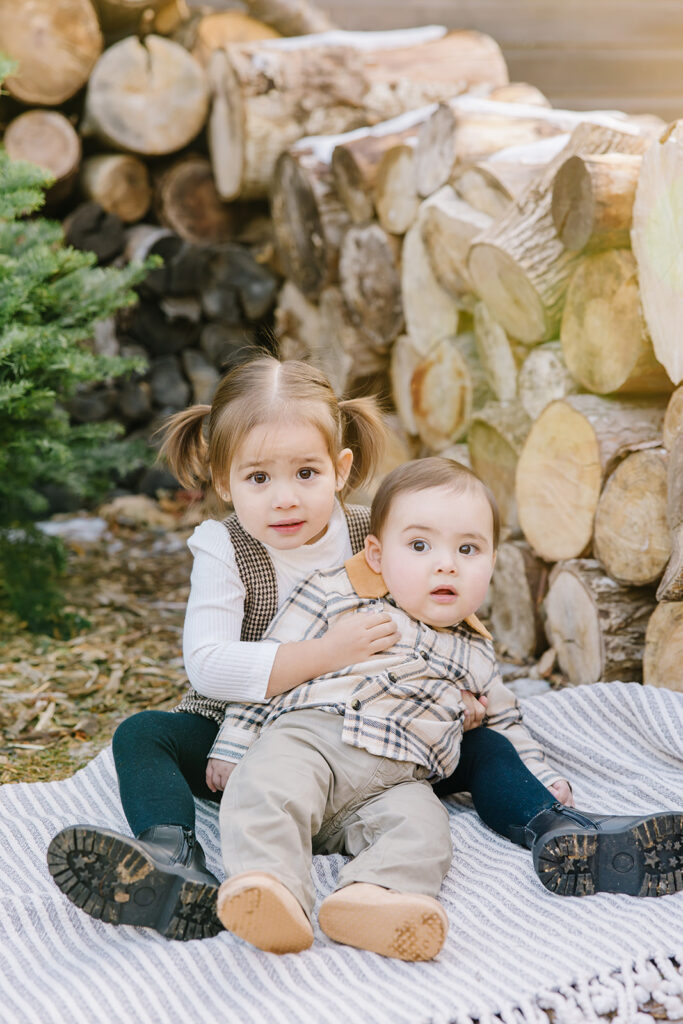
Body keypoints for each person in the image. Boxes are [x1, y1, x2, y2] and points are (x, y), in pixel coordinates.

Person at [213, 457, 683, 962]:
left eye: (468, 549)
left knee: (426, 831)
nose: (446, 564)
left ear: (492, 562)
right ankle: (272, 887)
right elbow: (268, 670)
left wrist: (541, 777)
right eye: (419, 546)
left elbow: (506, 723)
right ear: (376, 555)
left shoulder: (476, 652)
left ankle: (373, 896)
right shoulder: (337, 595)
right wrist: (234, 745)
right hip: (315, 739)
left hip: (399, 780)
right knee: (264, 787)